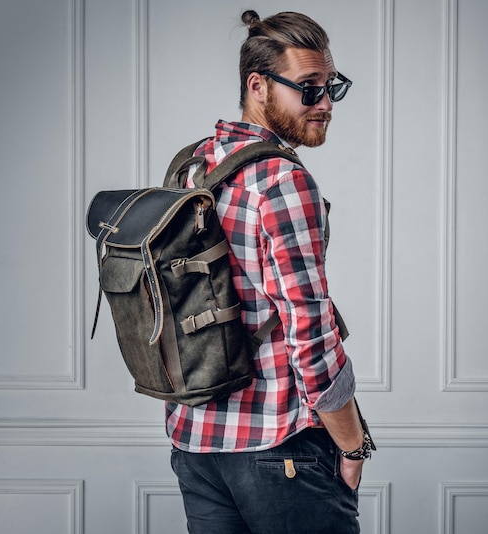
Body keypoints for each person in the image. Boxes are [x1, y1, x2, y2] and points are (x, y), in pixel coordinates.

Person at [168, 10, 374, 534]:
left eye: (331, 87)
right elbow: (310, 332)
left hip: (196, 442)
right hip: (278, 447)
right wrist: (353, 444)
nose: (325, 103)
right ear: (258, 86)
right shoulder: (281, 180)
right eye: (308, 88)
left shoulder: (194, 165)